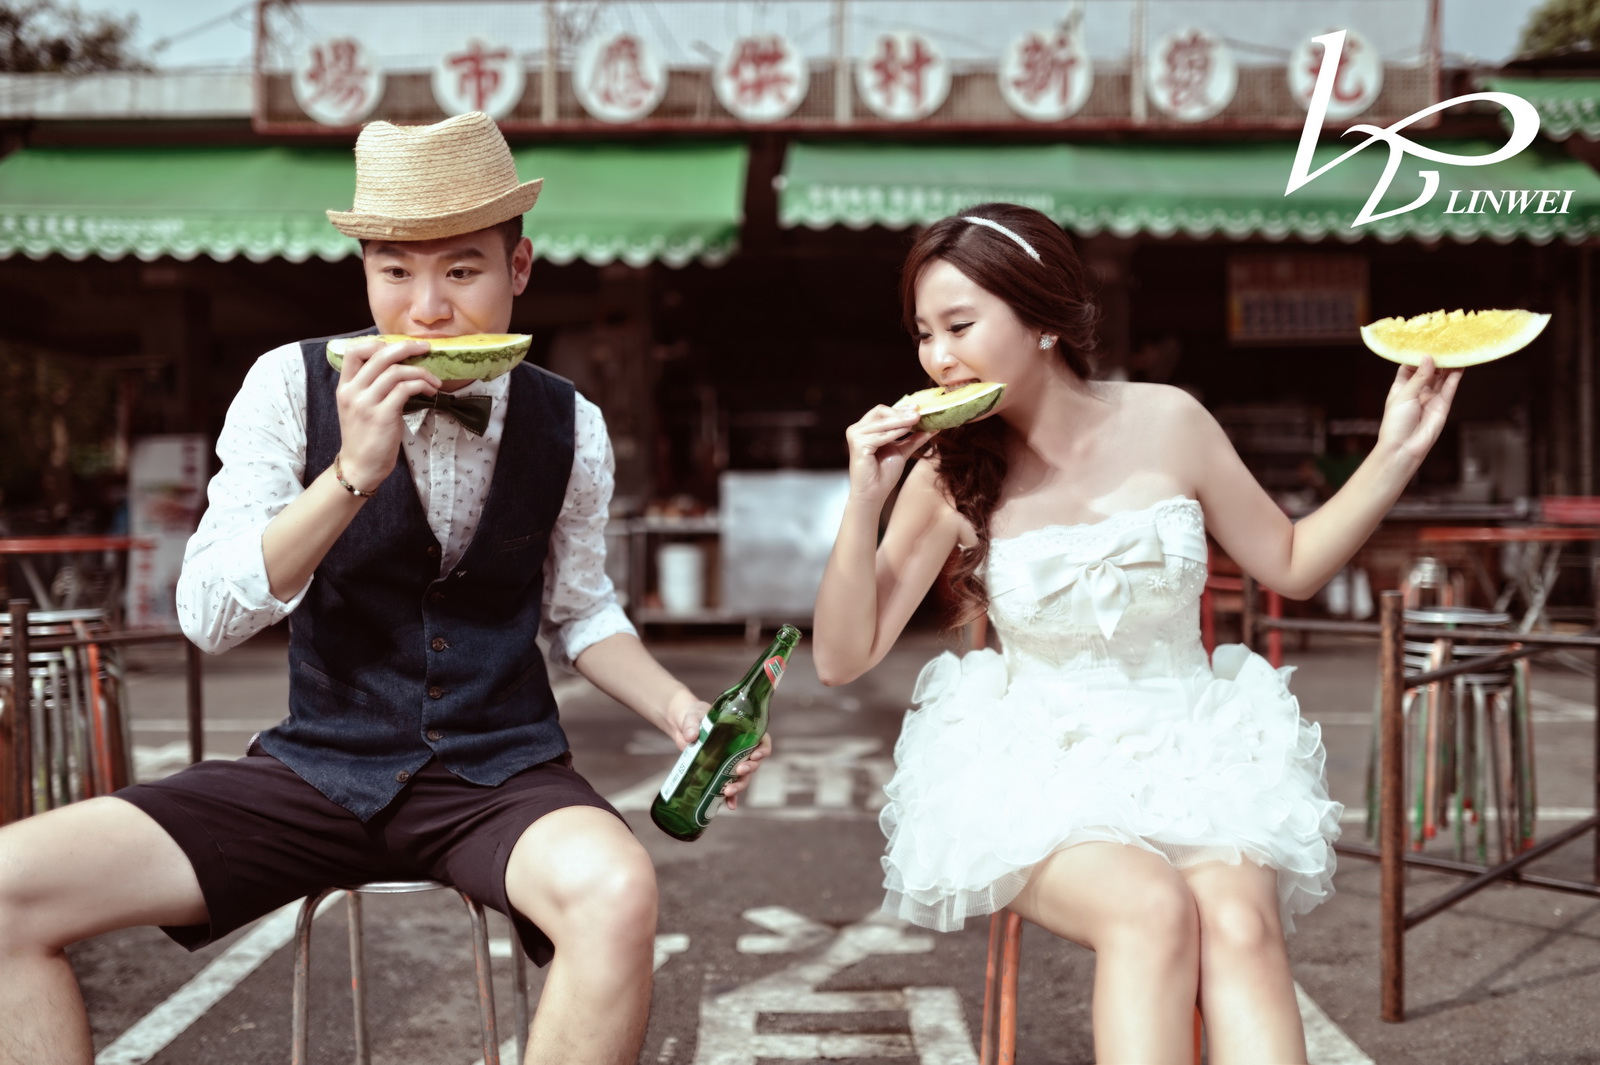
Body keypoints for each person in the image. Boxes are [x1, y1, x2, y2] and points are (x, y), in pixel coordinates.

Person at [0, 111, 767, 1065]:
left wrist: (681, 710)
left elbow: (579, 608)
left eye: (462, 270)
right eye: (395, 271)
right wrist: (350, 473)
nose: (428, 310)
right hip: (317, 768)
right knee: (10, 886)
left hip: (502, 772)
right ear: (364, 271)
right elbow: (206, 617)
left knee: (618, 889)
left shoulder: (572, 422)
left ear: (519, 267)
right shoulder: (288, 386)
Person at [812, 203, 1460, 1064]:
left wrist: (1396, 451)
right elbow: (841, 656)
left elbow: (1291, 562)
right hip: (1037, 768)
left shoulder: (1171, 420)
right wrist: (866, 497)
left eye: (960, 326)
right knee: (1150, 908)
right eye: (924, 334)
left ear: (1042, 319)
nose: (938, 358)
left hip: (1194, 748)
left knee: (1239, 924)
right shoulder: (946, 471)